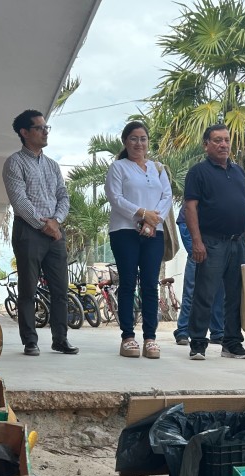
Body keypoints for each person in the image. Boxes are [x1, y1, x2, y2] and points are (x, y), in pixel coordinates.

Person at [3, 109, 78, 356]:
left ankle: (60, 339)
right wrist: (44, 224)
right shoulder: (14, 162)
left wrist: (56, 221)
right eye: (39, 128)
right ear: (24, 133)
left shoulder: (53, 165)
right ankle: (30, 341)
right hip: (29, 231)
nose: (45, 132)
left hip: (55, 232)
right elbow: (19, 201)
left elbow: (63, 196)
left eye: (47, 128)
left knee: (60, 289)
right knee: (28, 288)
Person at [184, 124, 245, 360]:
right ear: (206, 145)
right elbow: (190, 207)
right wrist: (197, 241)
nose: (223, 144)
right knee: (205, 293)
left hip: (238, 244)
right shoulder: (198, 172)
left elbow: (244, 204)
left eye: (226, 140)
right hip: (211, 242)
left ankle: (232, 343)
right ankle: (197, 343)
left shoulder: (238, 172)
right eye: (217, 140)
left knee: (235, 296)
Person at [104, 122, 173, 359]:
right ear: (125, 141)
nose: (139, 143)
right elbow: (116, 199)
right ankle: (127, 337)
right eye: (134, 138)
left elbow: (167, 196)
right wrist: (143, 214)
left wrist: (153, 220)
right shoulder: (118, 168)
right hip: (124, 231)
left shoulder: (158, 168)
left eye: (143, 138)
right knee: (128, 283)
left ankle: (150, 338)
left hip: (154, 232)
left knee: (150, 285)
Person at [173, 203, 224, 346]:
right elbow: (184, 218)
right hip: (195, 239)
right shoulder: (198, 184)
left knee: (218, 289)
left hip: (216, 243)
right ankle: (183, 329)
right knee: (192, 289)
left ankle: (218, 331)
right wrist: (194, 246)